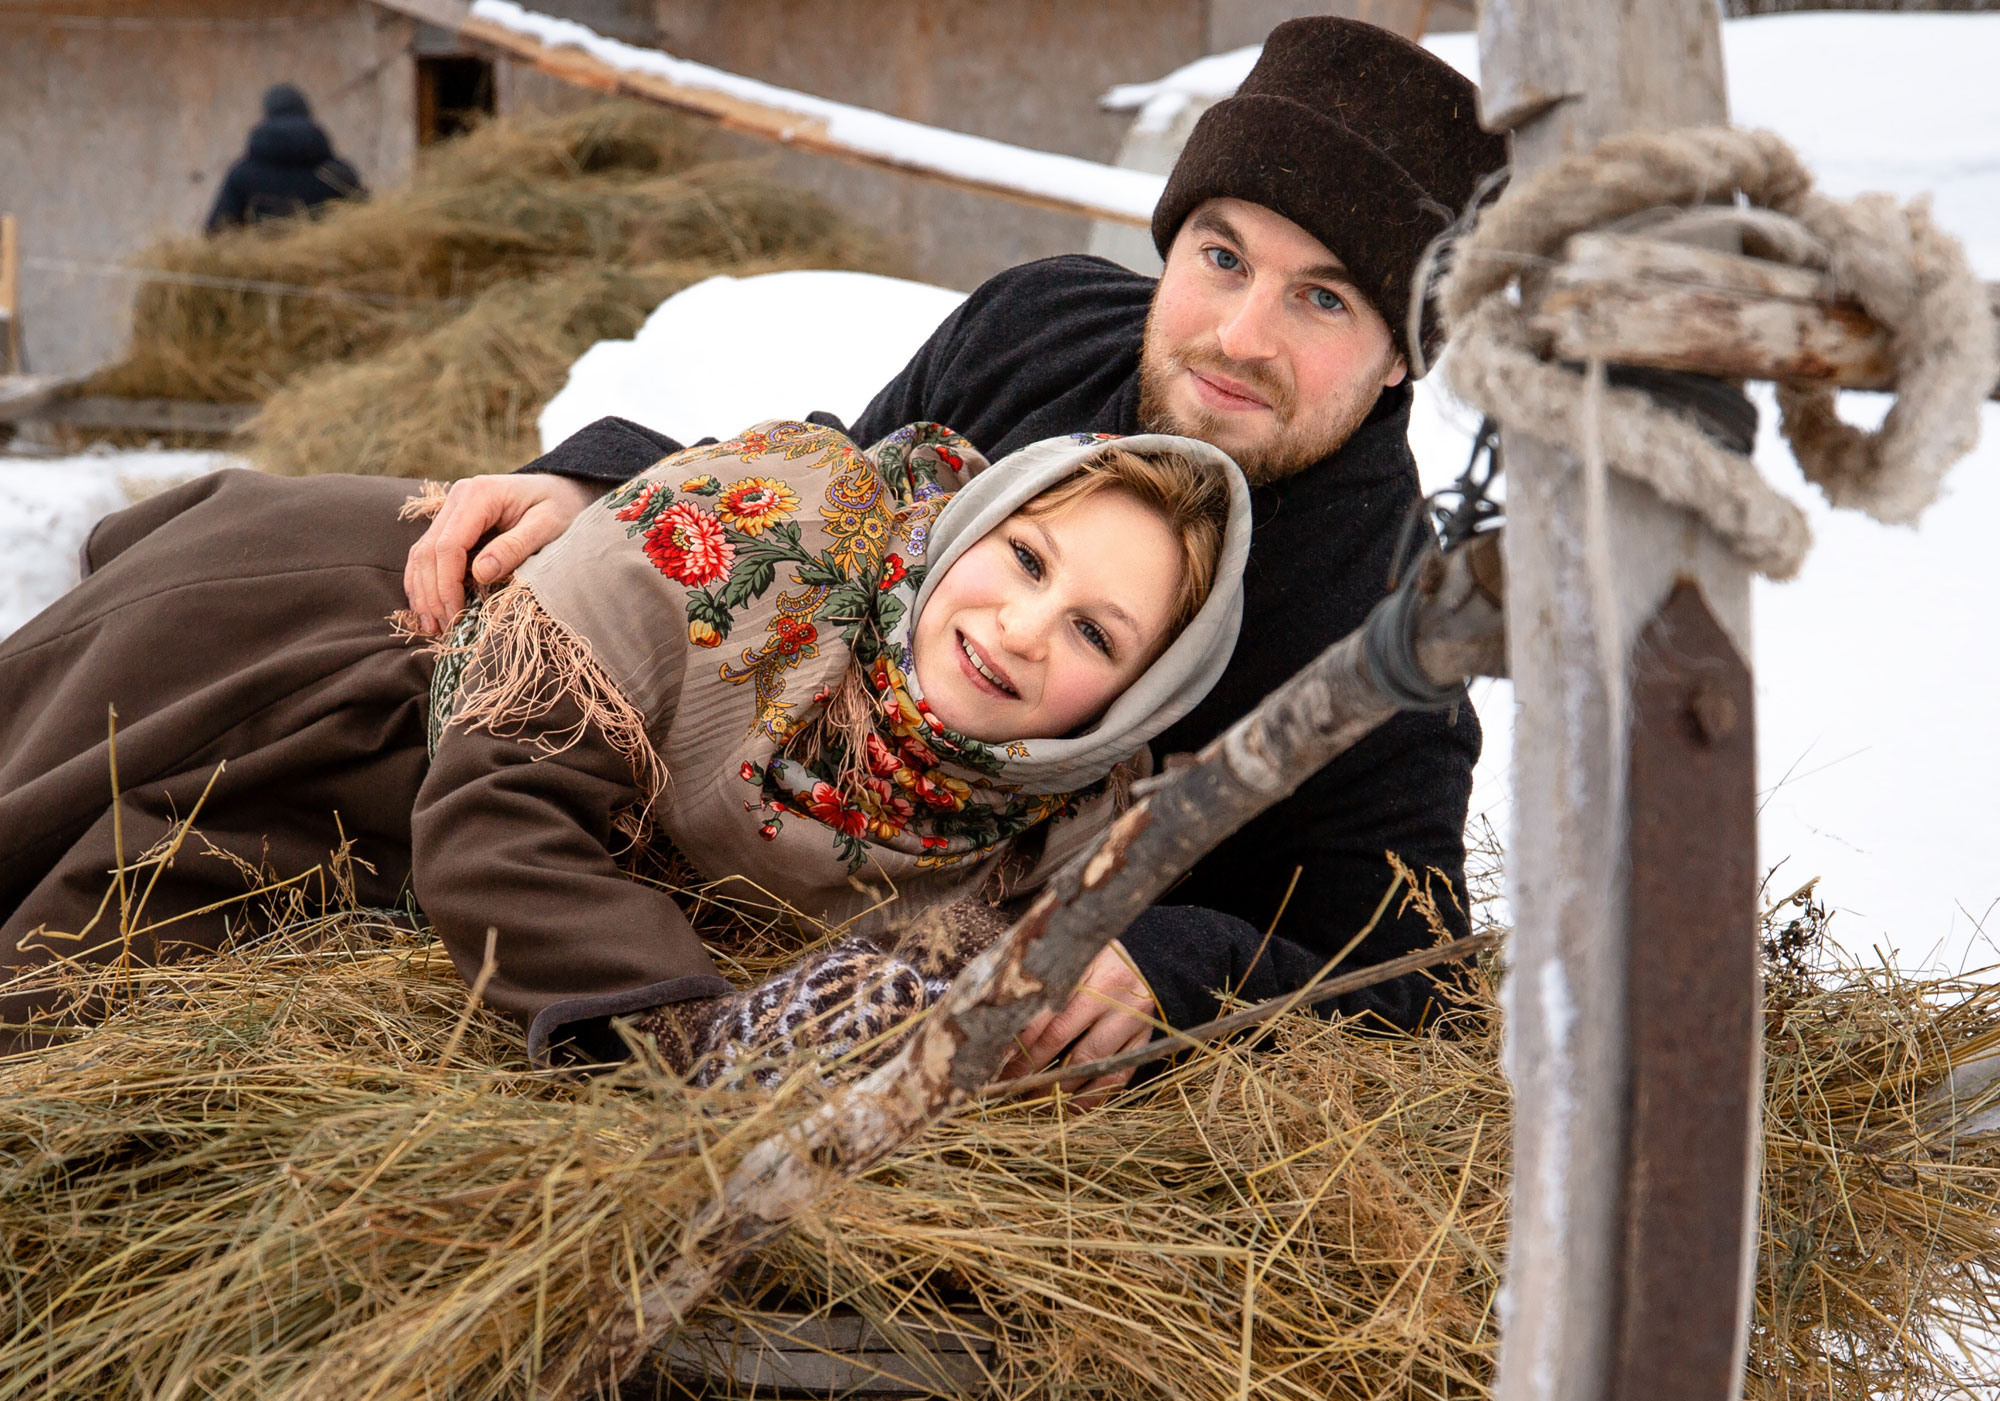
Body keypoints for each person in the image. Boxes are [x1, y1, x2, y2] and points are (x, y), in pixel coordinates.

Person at [399, 18, 1510, 1089]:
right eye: (1222, 257)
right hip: (678, 799)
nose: (1240, 336)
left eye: (1321, 298)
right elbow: (837, 505)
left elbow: (1405, 977)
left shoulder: (1386, 631)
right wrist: (601, 487)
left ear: (1401, 358)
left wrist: (1179, 969)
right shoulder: (1039, 325)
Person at [0, 420, 1250, 1078]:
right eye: (1024, 559)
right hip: (341, 665)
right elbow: (501, 813)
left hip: (400, 832)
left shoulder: (1043, 827)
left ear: (1133, 700)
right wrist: (696, 1037)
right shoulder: (788, 533)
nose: (1021, 628)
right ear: (975, 525)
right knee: (60, 962)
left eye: (1093, 630)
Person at [205, 84, 366, 235]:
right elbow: (366, 228)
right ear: (307, 114)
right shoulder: (337, 174)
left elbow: (217, 233)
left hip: (262, 263)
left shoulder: (242, 174)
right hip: (330, 263)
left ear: (267, 115)